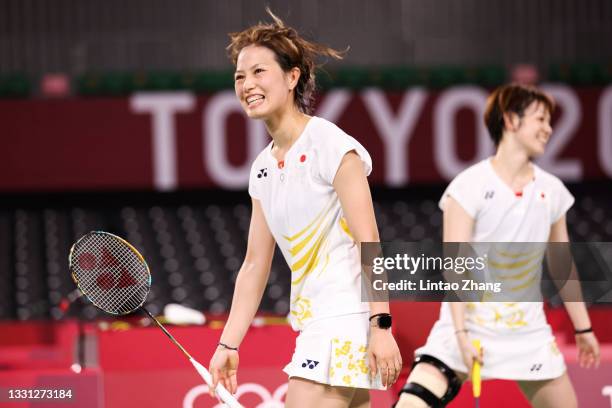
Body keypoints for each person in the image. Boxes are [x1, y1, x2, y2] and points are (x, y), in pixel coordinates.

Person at [208, 9, 402, 407]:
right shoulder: (262, 169)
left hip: (344, 319)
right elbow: (254, 265)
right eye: (240, 76)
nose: (247, 85)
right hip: (315, 322)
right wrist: (229, 342)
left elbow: (370, 241)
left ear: (292, 76)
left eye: (259, 72)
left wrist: (381, 324)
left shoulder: (329, 145)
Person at [395, 84, 600, 408]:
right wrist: (461, 336)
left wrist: (583, 327)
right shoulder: (469, 187)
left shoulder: (551, 190)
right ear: (511, 120)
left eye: (549, 121)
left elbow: (562, 265)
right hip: (468, 326)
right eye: (541, 119)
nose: (549, 128)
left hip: (527, 334)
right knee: (411, 406)